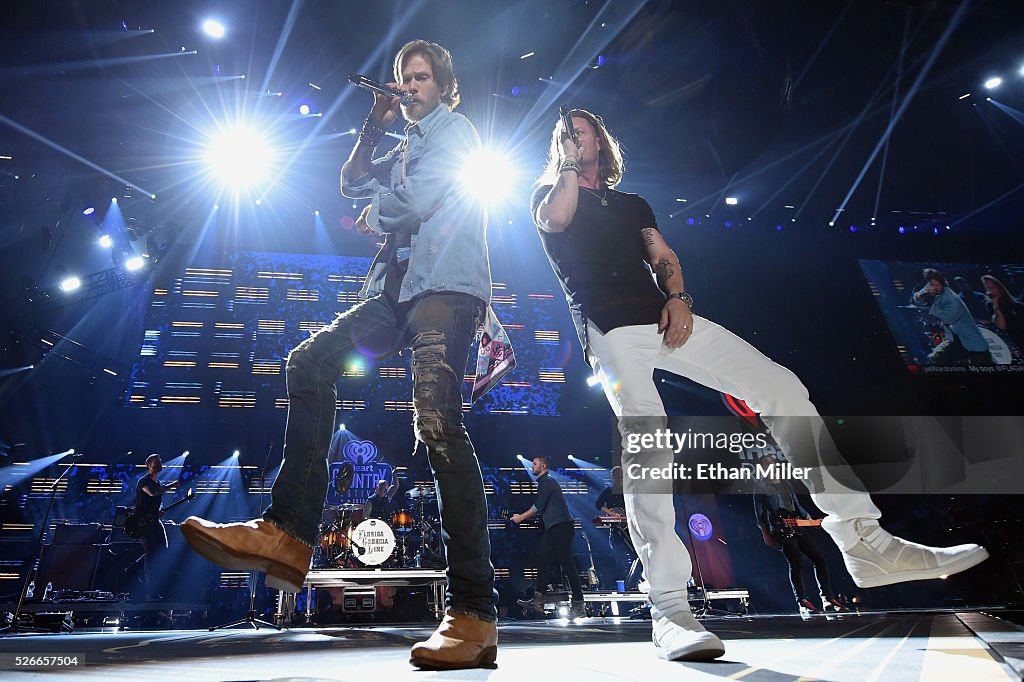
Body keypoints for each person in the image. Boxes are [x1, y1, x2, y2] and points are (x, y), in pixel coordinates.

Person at [531, 108, 988, 662]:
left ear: (601, 140)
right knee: (648, 437)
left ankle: (863, 538)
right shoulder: (552, 192)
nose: (574, 137)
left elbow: (664, 256)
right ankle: (670, 606)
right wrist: (567, 168)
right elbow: (555, 222)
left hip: (662, 316)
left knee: (781, 385)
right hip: (608, 328)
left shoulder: (633, 205)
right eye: (565, 134)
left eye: (581, 131)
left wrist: (678, 298)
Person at [181, 40, 497, 670]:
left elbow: (413, 202)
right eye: (403, 78)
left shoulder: (454, 132)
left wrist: (376, 212)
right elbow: (351, 182)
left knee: (436, 425)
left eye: (422, 78)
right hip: (397, 291)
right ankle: (288, 535)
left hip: (445, 289)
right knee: (308, 362)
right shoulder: (403, 142)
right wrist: (371, 128)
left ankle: (474, 614)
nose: (410, 87)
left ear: (443, 86)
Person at [753, 455, 845, 618]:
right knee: (796, 563)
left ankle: (827, 598)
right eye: (766, 463)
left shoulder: (785, 484)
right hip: (780, 529)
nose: (770, 465)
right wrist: (765, 534)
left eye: (772, 462)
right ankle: (802, 601)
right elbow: (760, 513)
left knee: (819, 559)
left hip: (797, 525)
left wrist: (810, 519)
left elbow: (796, 504)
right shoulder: (761, 487)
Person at [511, 456, 586, 619]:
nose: (532, 466)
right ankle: (538, 600)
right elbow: (542, 509)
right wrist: (522, 516)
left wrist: (521, 518)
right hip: (553, 527)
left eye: (535, 464)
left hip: (562, 526)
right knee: (541, 558)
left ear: (543, 466)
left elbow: (538, 506)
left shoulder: (548, 482)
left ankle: (579, 603)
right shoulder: (544, 483)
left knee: (567, 564)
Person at [912, 269, 993, 366]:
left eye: (937, 285)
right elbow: (917, 297)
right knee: (936, 359)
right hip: (955, 340)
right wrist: (919, 296)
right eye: (931, 285)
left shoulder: (952, 299)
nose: (934, 288)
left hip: (971, 342)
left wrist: (931, 303)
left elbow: (948, 318)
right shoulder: (932, 286)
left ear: (943, 284)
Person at [135, 454, 173, 600]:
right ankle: (150, 592)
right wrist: (171, 486)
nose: (159, 464)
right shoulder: (143, 481)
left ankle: (158, 587)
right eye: (156, 462)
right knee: (150, 555)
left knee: (163, 550)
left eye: (160, 462)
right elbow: (151, 493)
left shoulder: (158, 484)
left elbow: (155, 500)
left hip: (154, 521)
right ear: (149, 465)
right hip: (143, 523)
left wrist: (159, 511)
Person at [981, 274, 1024, 349]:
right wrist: (996, 306)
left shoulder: (1017, 304)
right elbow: (1002, 326)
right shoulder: (991, 305)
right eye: (988, 288)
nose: (990, 291)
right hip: (1015, 339)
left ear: (999, 287)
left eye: (993, 287)